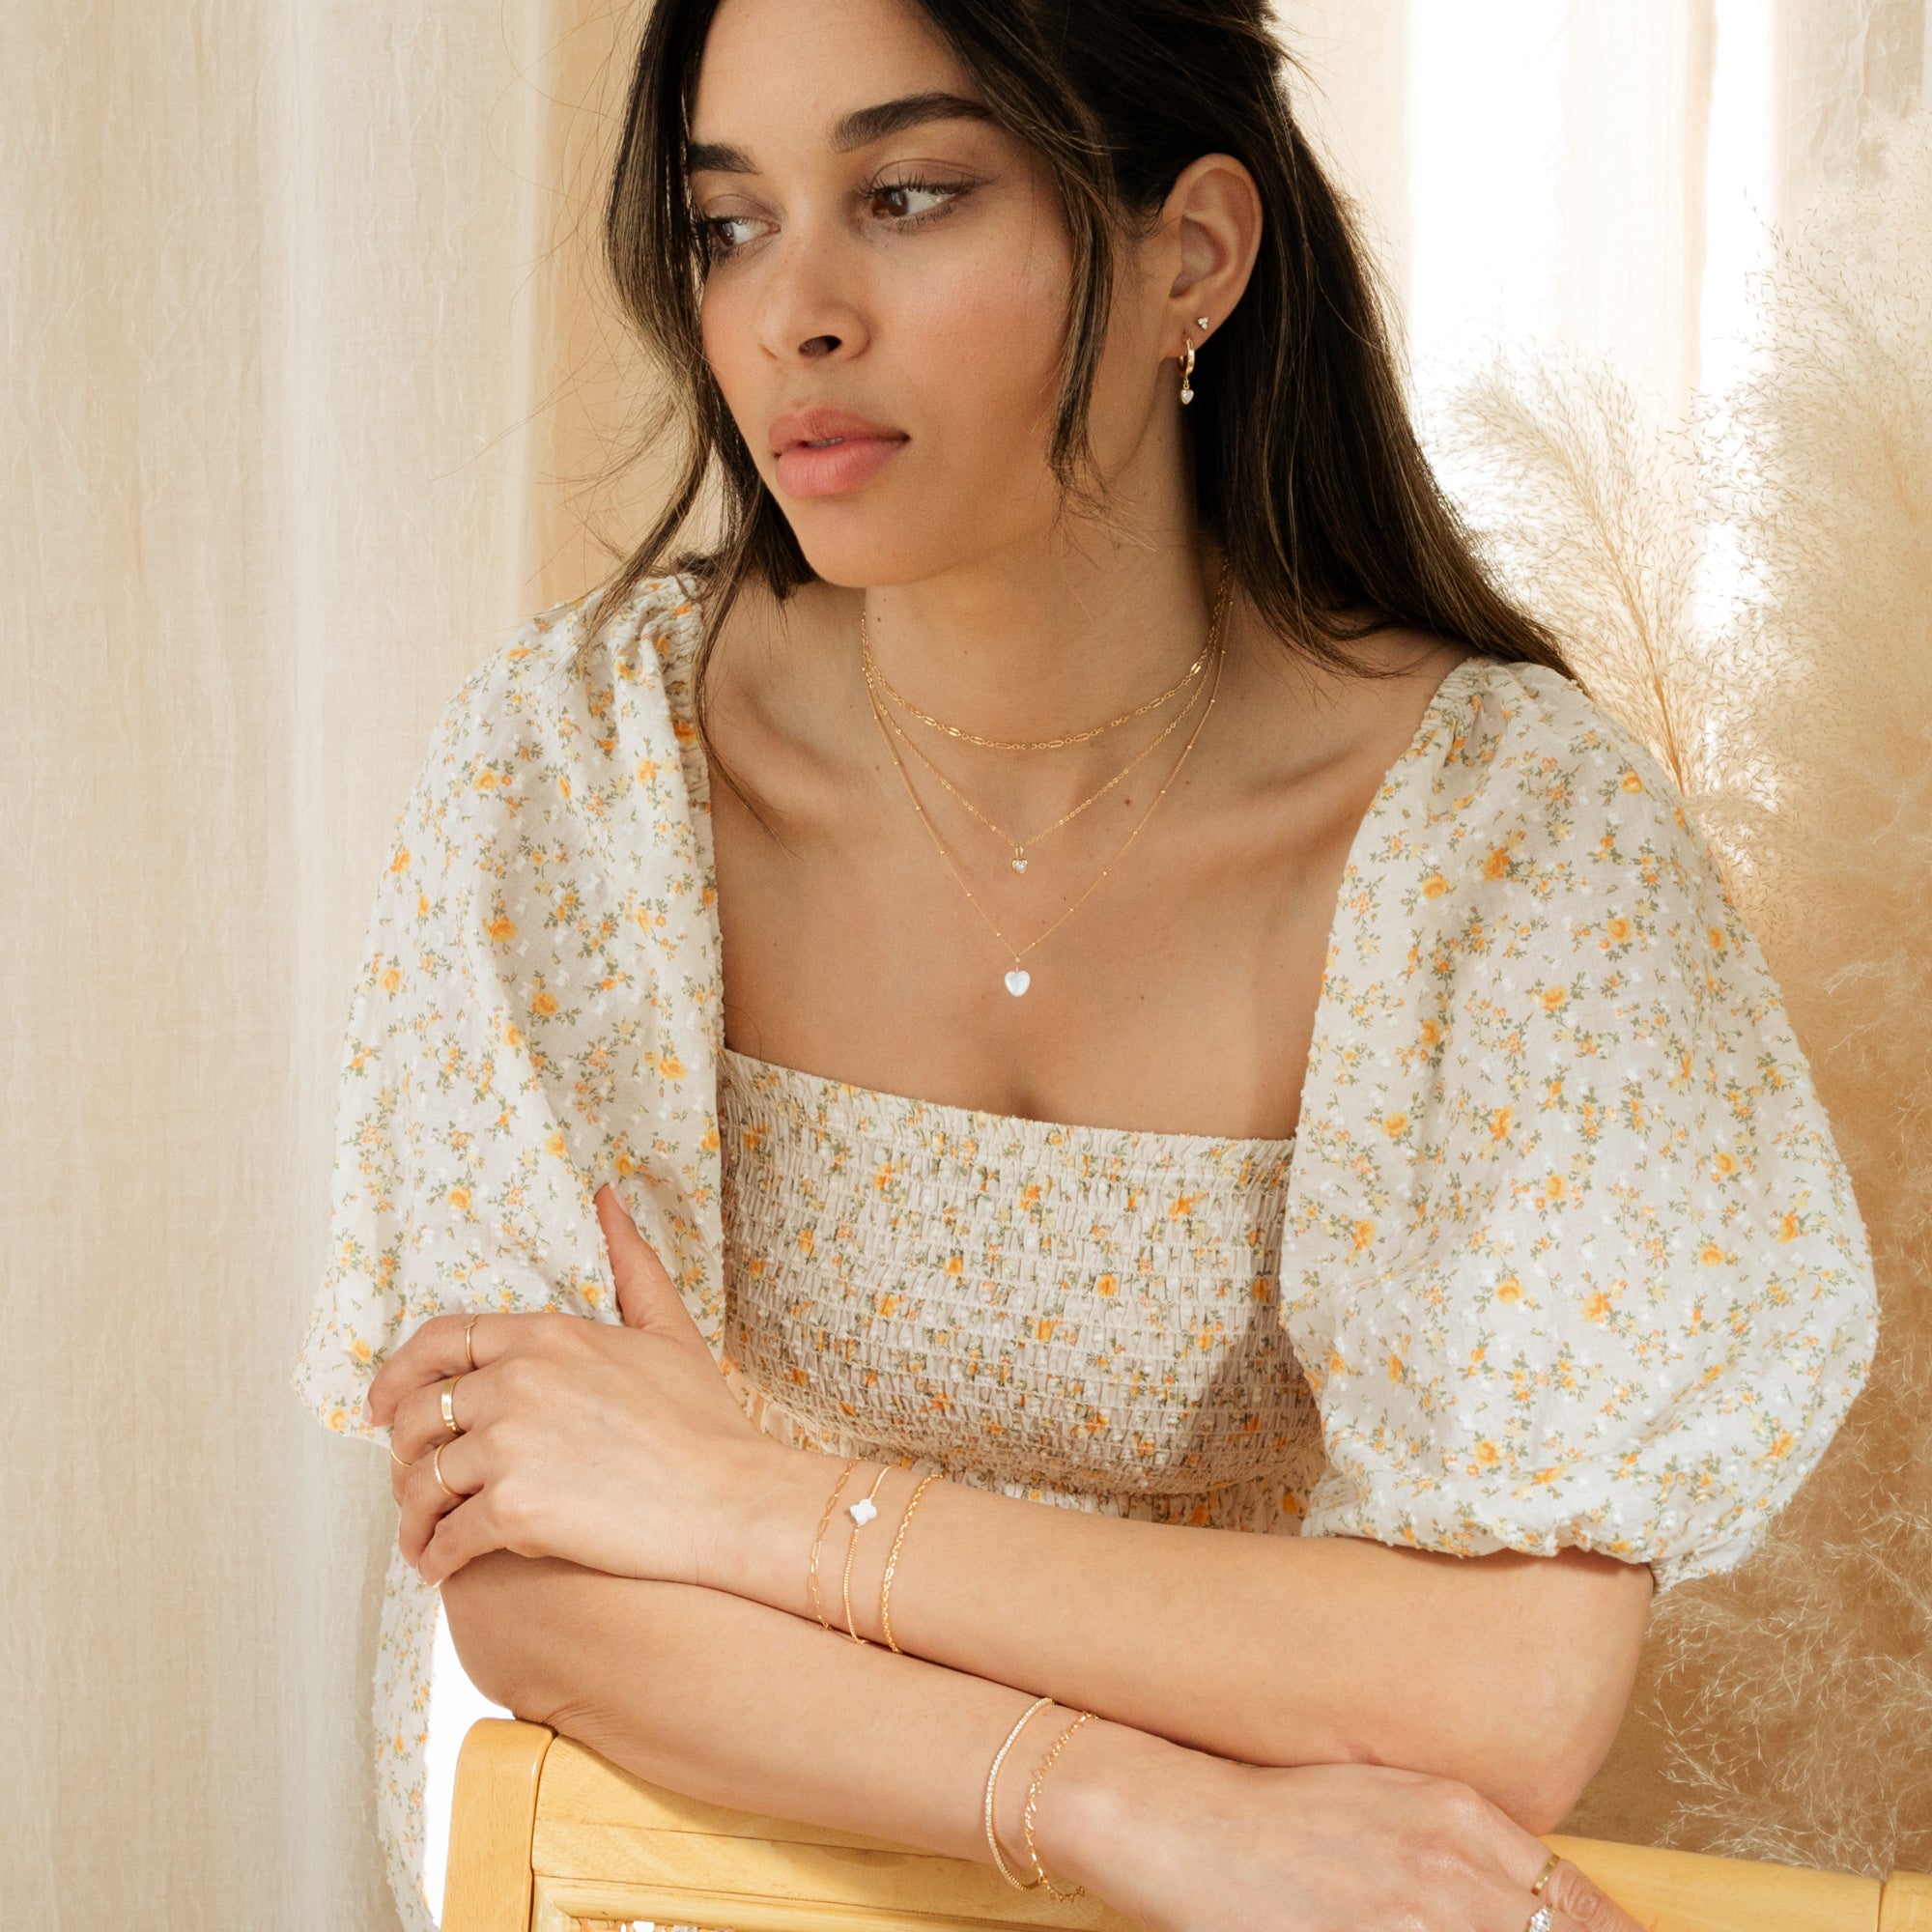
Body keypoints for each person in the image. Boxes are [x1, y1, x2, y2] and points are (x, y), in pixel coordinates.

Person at [297, 2, 1880, 1927]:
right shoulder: (576, 780)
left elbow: (1499, 1694)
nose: (792, 314)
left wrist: (742, 1505)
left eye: (907, 195)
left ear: (1190, 255)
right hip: (710, 1886)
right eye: (729, 224)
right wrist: (1135, 1809)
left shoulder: (1508, 846)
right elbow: (532, 1575)